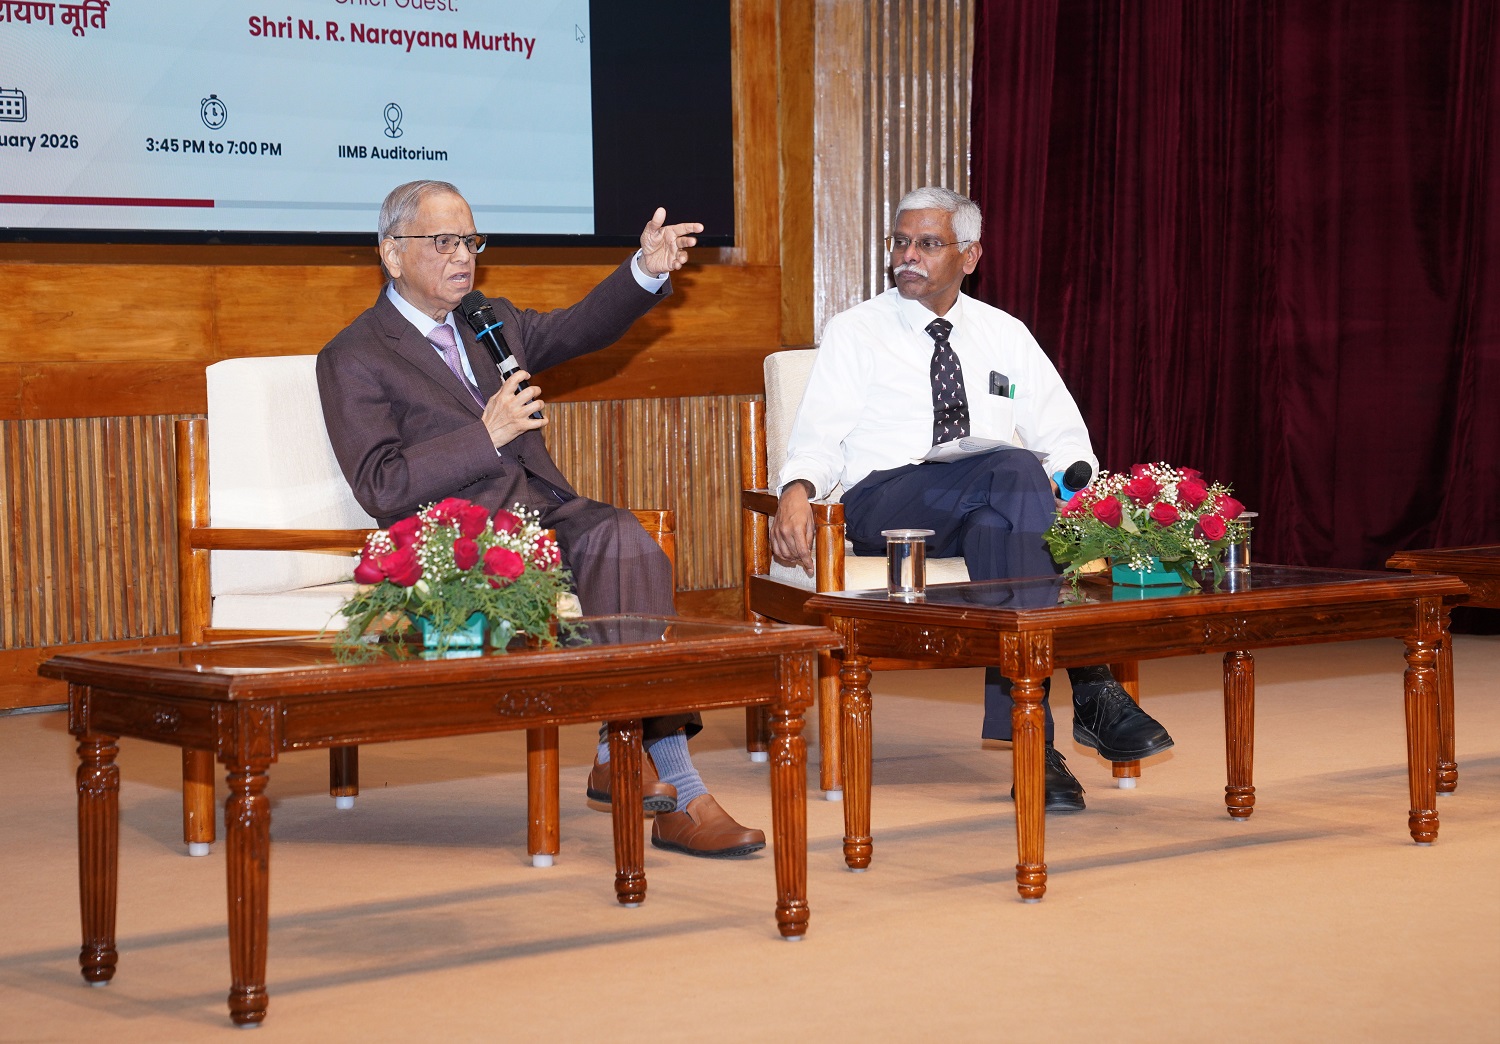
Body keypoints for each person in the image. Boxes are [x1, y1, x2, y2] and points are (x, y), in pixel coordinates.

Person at [318, 179, 764, 857]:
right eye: (442, 242)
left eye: (470, 240)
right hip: (461, 539)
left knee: (628, 539)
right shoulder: (355, 355)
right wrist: (486, 434)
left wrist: (644, 268)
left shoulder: (486, 318)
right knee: (619, 558)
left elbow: (580, 325)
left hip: (542, 515)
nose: (462, 256)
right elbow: (382, 485)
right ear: (391, 254)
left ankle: (629, 756)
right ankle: (677, 788)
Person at [771, 186, 1173, 813]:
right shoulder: (856, 331)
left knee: (998, 523)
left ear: (970, 255)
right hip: (886, 502)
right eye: (900, 242)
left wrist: (1075, 484)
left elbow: (1064, 433)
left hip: (978, 500)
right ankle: (1092, 682)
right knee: (1011, 468)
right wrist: (796, 489)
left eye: (927, 244)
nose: (908, 255)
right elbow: (817, 437)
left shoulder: (1004, 333)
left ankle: (1031, 743)